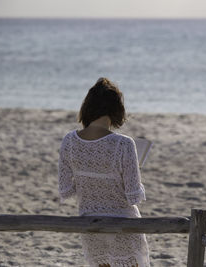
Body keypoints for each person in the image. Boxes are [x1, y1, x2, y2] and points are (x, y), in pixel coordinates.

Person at [57, 78, 150, 267]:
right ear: (117, 110)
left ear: (88, 108)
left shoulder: (69, 141)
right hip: (123, 223)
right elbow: (133, 196)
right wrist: (133, 172)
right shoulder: (124, 144)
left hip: (89, 222)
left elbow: (66, 189)